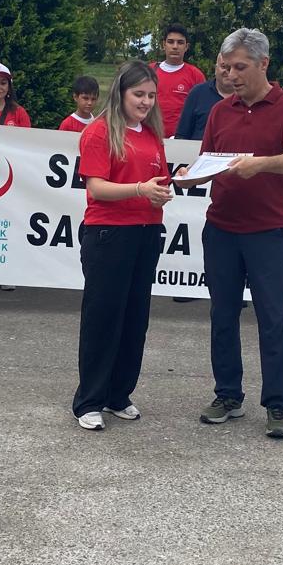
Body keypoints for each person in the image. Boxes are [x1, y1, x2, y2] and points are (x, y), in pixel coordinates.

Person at [173, 28, 283, 439]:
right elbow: (208, 163)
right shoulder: (220, 111)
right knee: (223, 314)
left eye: (240, 67)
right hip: (222, 228)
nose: (230, 75)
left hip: (269, 231)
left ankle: (278, 403)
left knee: (273, 318)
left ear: (263, 64)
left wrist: (260, 164)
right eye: (226, 67)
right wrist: (190, 176)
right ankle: (228, 395)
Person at [71, 62, 172, 430]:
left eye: (151, 95)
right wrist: (140, 189)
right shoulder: (99, 131)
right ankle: (89, 400)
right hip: (109, 234)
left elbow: (158, 181)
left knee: (134, 318)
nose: (145, 102)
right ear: (121, 93)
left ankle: (118, 395)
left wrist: (168, 187)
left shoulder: (152, 134)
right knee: (103, 319)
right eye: (138, 94)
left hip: (146, 233)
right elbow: (97, 188)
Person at [150, 25, 205, 137]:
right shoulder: (149, 71)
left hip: (182, 140)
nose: (175, 47)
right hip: (151, 136)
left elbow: (202, 111)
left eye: (180, 43)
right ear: (164, 45)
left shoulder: (196, 75)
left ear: (186, 47)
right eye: (171, 42)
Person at [175, 54, 232, 142]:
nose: (228, 71)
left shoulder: (248, 96)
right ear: (216, 68)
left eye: (232, 67)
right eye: (223, 67)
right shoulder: (197, 93)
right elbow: (182, 135)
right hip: (198, 150)